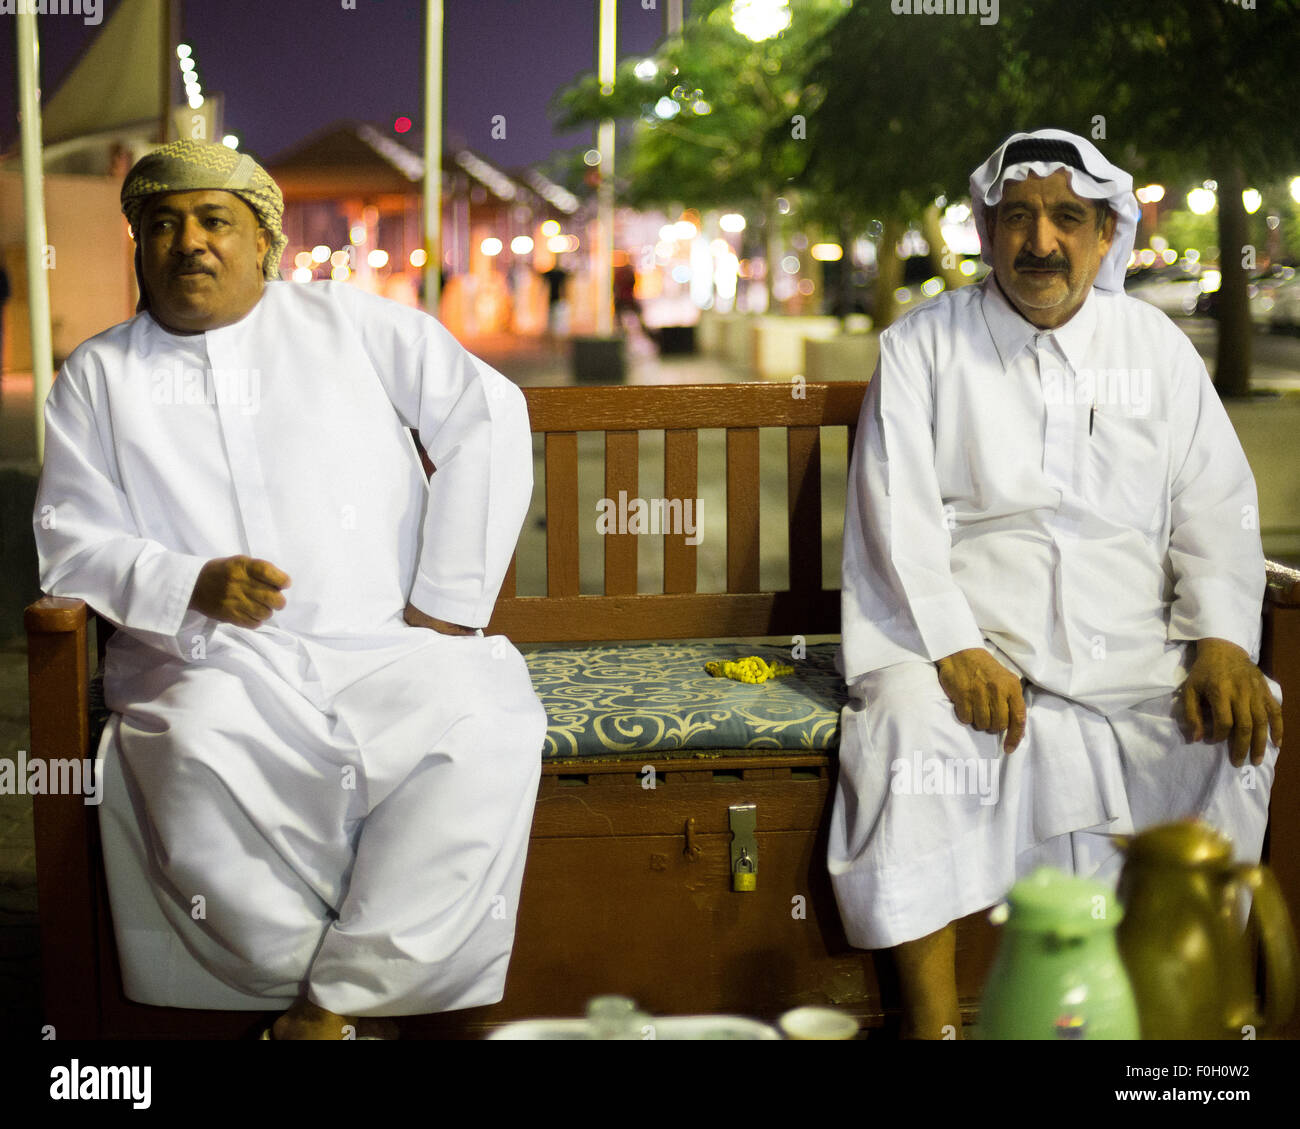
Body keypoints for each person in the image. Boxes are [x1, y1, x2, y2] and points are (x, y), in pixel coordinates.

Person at [33, 140, 547, 1040]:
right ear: (139, 246)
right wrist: (186, 582)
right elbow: (70, 540)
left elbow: (490, 413)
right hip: (205, 662)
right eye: (163, 224)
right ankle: (341, 1000)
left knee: (487, 720)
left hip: (381, 642)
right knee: (187, 754)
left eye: (214, 221)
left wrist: (445, 600)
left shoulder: (351, 322)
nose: (189, 241)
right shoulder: (98, 376)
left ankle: (327, 1005)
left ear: (264, 243)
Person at [828, 128, 1282, 1039]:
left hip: (1138, 652)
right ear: (988, 230)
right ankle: (934, 1026)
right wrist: (954, 646)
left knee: (1241, 716)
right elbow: (899, 513)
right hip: (967, 650)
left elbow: (1215, 507)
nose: (1041, 242)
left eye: (1067, 218)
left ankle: (1174, 1025)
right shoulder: (924, 347)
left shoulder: (1154, 348)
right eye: (1018, 217)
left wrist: (1224, 639)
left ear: (1106, 232)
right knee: (909, 732)